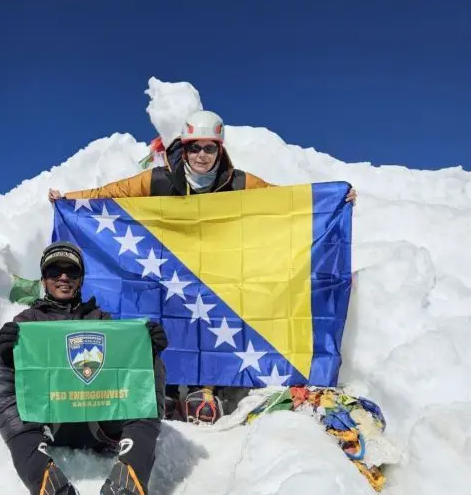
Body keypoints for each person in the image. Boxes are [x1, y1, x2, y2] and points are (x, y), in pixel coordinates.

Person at [48, 110, 358, 424]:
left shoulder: (239, 182)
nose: (201, 155)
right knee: (161, 318)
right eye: (194, 147)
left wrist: (333, 201)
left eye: (209, 148)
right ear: (184, 147)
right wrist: (68, 200)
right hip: (162, 272)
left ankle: (205, 388)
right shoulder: (157, 179)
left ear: (219, 150)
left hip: (218, 276)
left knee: (211, 322)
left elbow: (286, 205)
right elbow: (111, 195)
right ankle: (164, 387)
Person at [0, 242, 168, 495]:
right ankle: (44, 479)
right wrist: (7, 355)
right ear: (44, 279)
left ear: (80, 279)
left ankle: (132, 474)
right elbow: (14, 380)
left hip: (101, 424)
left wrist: (147, 349)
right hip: (50, 424)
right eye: (54, 271)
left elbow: (127, 369)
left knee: (152, 364)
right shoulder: (27, 322)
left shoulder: (101, 320)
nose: (63, 277)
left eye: (71, 271)